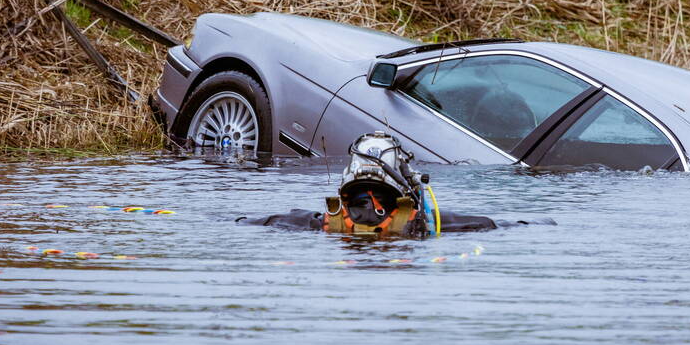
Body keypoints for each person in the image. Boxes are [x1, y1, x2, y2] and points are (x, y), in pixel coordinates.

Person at [235, 131, 554, 237]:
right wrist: (539, 220)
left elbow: (254, 221)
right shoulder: (423, 223)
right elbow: (490, 223)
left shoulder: (321, 222)